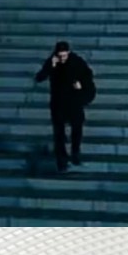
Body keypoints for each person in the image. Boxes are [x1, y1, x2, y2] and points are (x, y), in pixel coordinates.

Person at [34, 41, 96, 171]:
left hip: (74, 102)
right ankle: (61, 159)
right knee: (59, 133)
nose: (62, 58)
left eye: (64, 55)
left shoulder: (76, 61)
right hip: (58, 103)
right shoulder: (52, 62)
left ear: (68, 53)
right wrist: (51, 66)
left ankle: (75, 153)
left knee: (77, 129)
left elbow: (88, 75)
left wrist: (81, 86)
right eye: (60, 55)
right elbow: (40, 77)